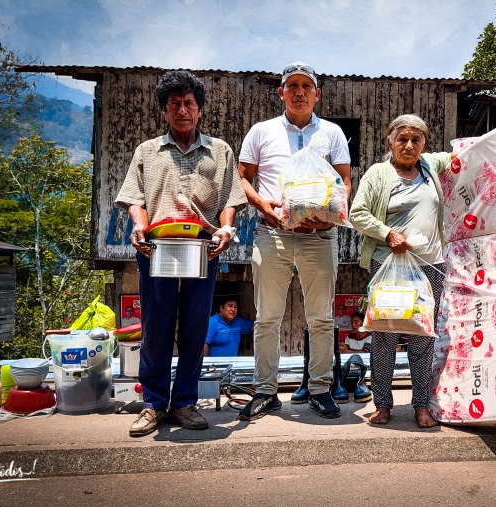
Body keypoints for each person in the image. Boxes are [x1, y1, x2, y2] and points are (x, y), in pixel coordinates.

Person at [116, 70, 247, 437]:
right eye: (175, 104)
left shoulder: (219, 151)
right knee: (156, 328)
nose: (183, 110)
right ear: (164, 111)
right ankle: (154, 404)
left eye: (189, 103)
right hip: (154, 246)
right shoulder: (147, 151)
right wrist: (138, 224)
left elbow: (230, 200)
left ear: (199, 110)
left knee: (193, 327)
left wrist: (226, 228)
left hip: (203, 248)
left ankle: (185, 404)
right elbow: (134, 199)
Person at [237, 62, 352, 420]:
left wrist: (331, 212)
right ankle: (266, 391)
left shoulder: (332, 133)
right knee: (267, 318)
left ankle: (319, 388)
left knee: (320, 318)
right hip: (273, 234)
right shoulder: (261, 131)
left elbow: (344, 183)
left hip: (319, 237)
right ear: (281, 92)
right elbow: (241, 179)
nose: (299, 92)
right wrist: (262, 205)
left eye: (307, 86)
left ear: (317, 94)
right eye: (292, 86)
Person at [349, 114, 455, 428]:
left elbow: (461, 153)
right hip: (389, 267)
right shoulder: (379, 173)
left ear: (424, 144)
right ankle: (382, 404)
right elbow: (358, 213)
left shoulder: (429, 167)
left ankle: (421, 406)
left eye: (415, 140)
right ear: (390, 142)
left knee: (423, 337)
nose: (408, 146)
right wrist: (387, 233)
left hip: (430, 266)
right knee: (385, 336)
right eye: (402, 140)